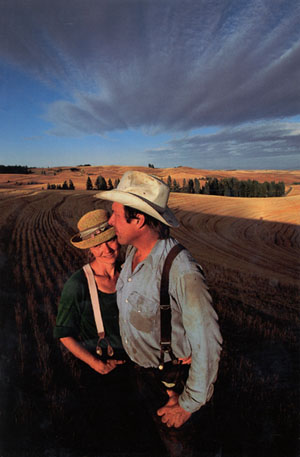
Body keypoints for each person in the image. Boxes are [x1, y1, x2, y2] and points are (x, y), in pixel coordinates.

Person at [96, 171, 223, 456]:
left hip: (173, 388)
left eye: (116, 214)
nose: (110, 221)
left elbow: (207, 342)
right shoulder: (132, 255)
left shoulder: (181, 271)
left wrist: (188, 406)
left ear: (138, 219)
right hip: (144, 378)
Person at [53, 209, 128, 372]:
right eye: (98, 245)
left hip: (137, 364)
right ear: (90, 249)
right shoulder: (78, 284)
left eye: (111, 240)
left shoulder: (129, 273)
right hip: (104, 372)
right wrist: (95, 363)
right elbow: (64, 334)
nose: (106, 249)